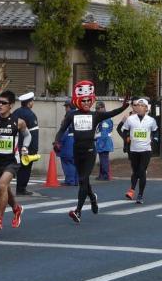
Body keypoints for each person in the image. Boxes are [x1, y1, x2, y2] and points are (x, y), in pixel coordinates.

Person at [55, 81, 129, 223]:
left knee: (83, 180)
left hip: (90, 150)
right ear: (78, 101)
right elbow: (62, 130)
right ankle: (93, 198)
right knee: (85, 180)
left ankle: (78, 211)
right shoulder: (71, 115)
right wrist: (57, 141)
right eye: (84, 100)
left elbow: (112, 113)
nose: (87, 103)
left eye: (89, 100)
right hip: (77, 151)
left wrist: (124, 106)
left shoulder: (96, 115)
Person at [0, 90, 30, 230]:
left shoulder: (18, 122)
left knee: (2, 185)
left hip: (12, 161)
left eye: (4, 103)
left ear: (11, 105)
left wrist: (25, 147)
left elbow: (27, 136)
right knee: (5, 190)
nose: (0, 105)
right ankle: (16, 208)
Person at [120, 98, 158, 203]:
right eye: (138, 105)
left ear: (146, 108)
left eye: (142, 105)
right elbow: (125, 131)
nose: (139, 107)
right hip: (133, 149)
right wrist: (127, 138)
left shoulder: (151, 120)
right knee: (135, 171)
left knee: (142, 171)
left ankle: (140, 194)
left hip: (146, 150)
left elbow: (155, 132)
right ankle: (132, 190)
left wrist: (153, 141)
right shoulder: (131, 119)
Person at [13, 91, 40, 196]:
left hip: (15, 146)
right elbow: (33, 133)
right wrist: (34, 149)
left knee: (18, 167)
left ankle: (19, 188)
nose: (32, 103)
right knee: (26, 168)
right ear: (29, 103)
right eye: (32, 101)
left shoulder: (16, 112)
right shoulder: (31, 115)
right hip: (26, 146)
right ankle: (21, 189)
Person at [56, 100, 78, 186]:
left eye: (66, 107)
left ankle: (70, 180)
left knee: (67, 161)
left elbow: (64, 131)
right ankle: (76, 181)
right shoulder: (78, 114)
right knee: (75, 161)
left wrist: (59, 142)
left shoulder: (68, 116)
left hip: (68, 141)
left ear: (68, 107)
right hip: (77, 140)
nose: (65, 108)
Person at [94, 101, 115, 180]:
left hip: (104, 142)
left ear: (103, 108)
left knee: (104, 159)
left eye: (98, 108)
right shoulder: (102, 117)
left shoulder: (105, 118)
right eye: (96, 109)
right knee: (102, 158)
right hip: (102, 141)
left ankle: (105, 175)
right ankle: (101, 175)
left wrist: (101, 143)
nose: (97, 110)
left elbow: (104, 132)